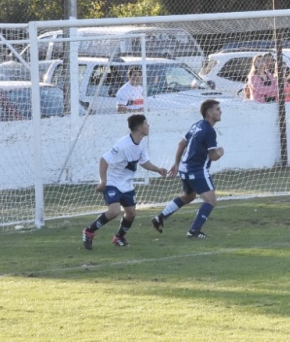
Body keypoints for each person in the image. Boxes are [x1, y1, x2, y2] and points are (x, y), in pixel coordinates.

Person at [82, 114, 169, 250]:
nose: (148, 126)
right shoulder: (122, 145)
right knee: (114, 211)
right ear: (140, 128)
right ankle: (89, 231)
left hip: (126, 184)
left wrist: (158, 169)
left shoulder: (141, 143)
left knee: (131, 213)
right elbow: (103, 160)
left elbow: (143, 161)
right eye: (146, 124)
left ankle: (119, 237)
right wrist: (103, 181)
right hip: (112, 182)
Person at [150, 99, 225, 238]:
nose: (220, 112)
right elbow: (213, 156)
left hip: (185, 168)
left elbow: (181, 144)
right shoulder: (209, 131)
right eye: (217, 109)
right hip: (196, 170)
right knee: (211, 201)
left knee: (188, 196)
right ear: (209, 113)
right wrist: (221, 151)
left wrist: (177, 163)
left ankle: (160, 218)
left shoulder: (197, 125)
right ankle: (194, 231)